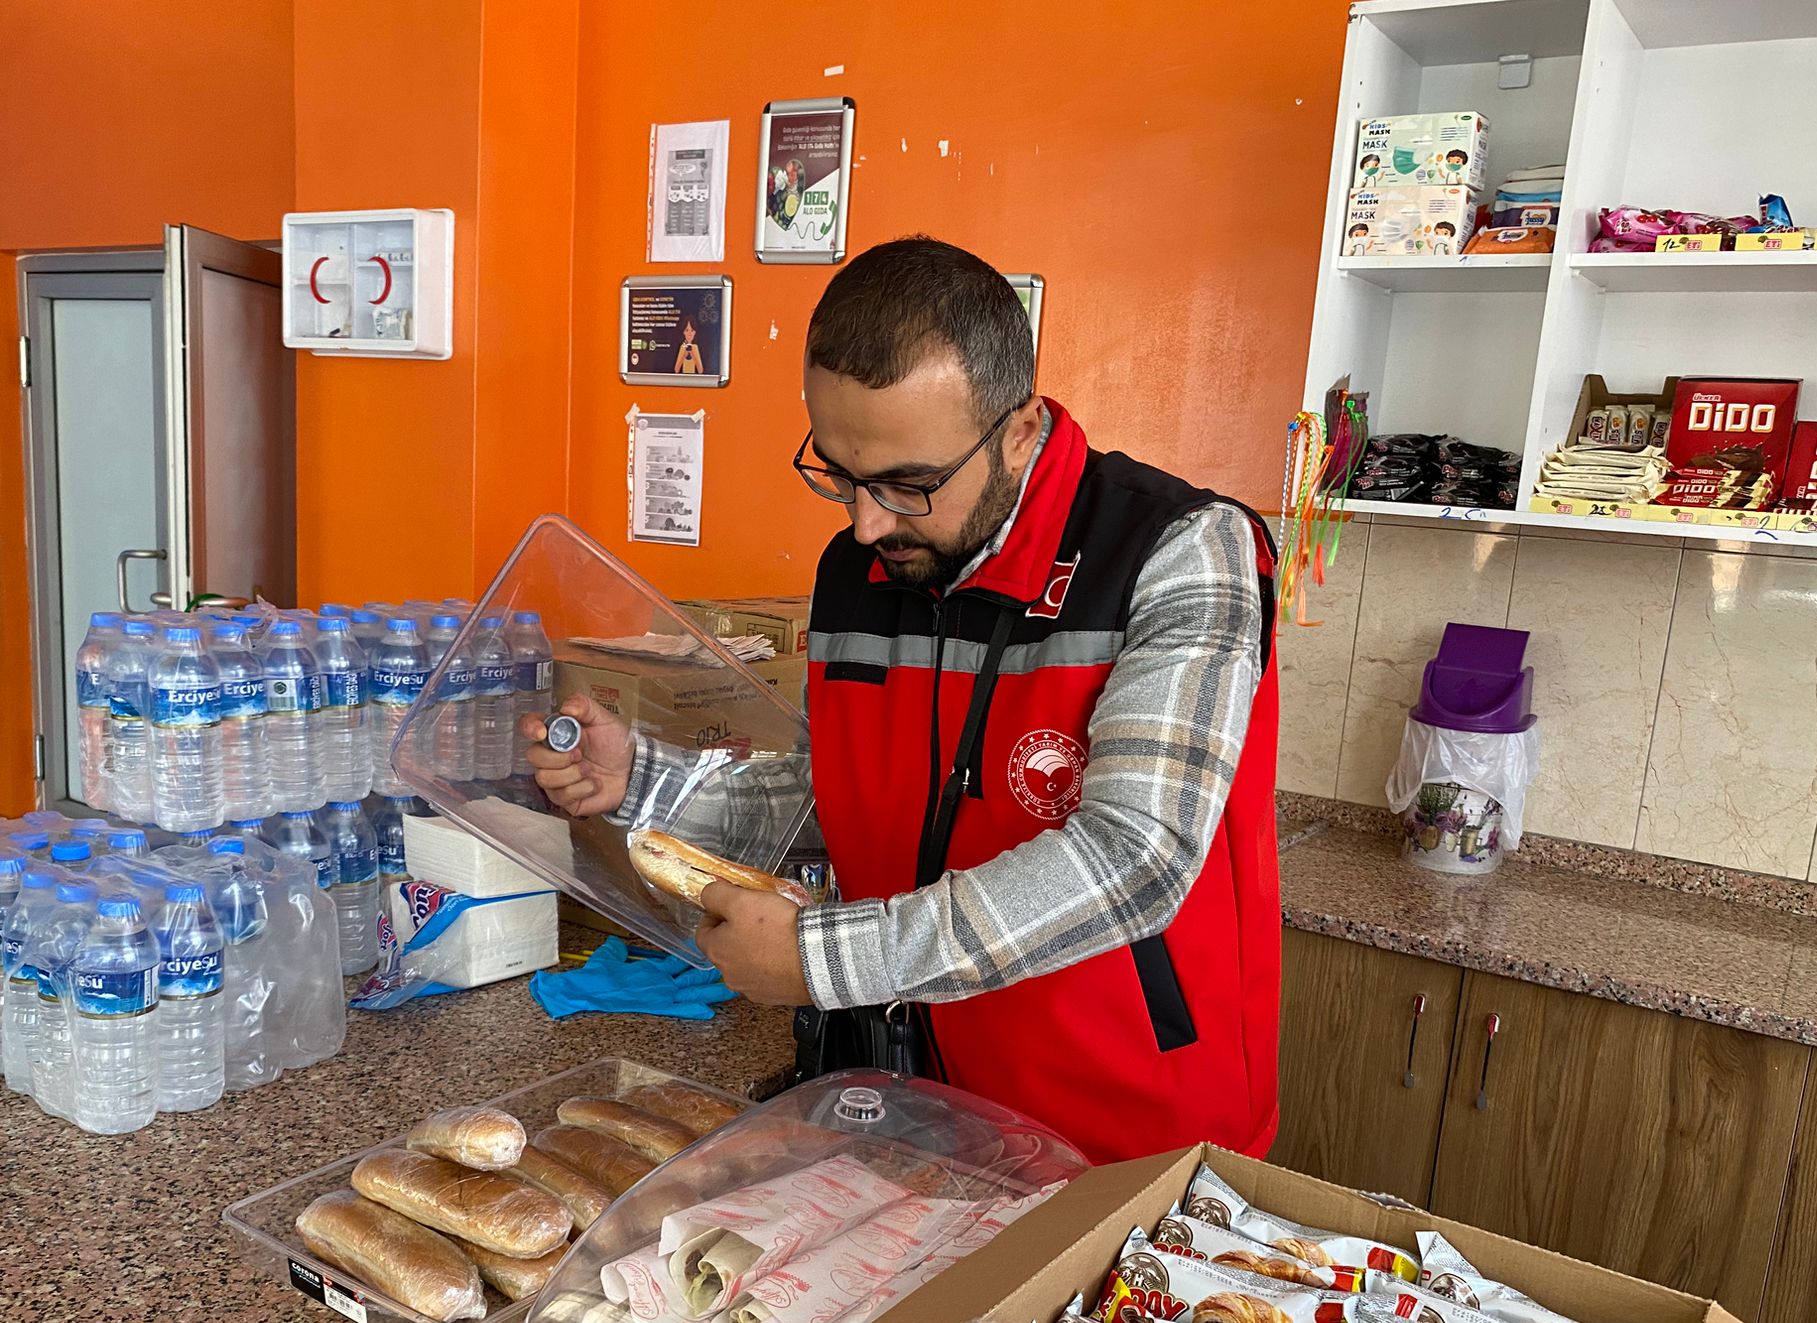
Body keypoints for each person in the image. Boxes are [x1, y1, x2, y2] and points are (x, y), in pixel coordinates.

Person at [524, 236, 1280, 1163]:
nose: (866, 522)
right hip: (917, 1108)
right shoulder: (863, 567)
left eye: (907, 485)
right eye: (839, 475)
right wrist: (640, 777)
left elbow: (1137, 854)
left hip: (1125, 1126)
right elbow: (839, 799)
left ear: (1018, 429)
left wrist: (821, 960)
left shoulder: (1179, 551)